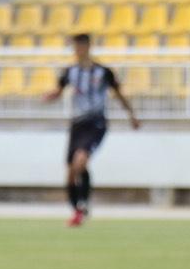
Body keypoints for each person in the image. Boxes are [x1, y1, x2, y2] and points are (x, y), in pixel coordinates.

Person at [42, 32, 141, 226]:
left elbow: (118, 94)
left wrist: (132, 115)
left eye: (80, 46)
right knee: (71, 171)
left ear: (87, 47)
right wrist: (49, 96)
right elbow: (59, 90)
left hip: (96, 122)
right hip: (77, 123)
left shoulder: (103, 72)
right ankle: (78, 210)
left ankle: (83, 205)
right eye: (75, 47)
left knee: (80, 161)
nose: (78, 50)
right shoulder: (70, 72)